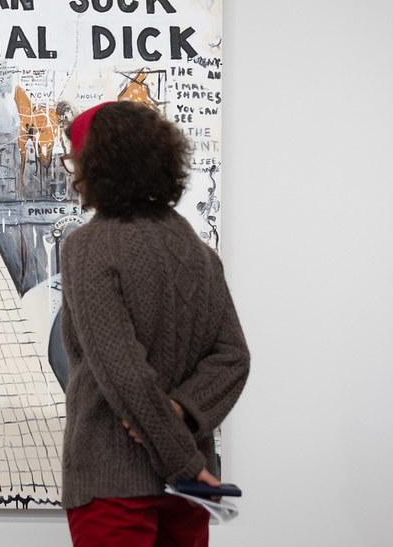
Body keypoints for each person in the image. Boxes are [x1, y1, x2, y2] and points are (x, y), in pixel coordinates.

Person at [58, 101, 250, 546]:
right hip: (187, 496)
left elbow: (124, 374)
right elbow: (233, 358)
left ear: (96, 166)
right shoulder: (198, 252)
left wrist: (184, 466)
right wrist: (182, 411)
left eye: (75, 160)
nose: (73, 174)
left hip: (115, 483)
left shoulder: (88, 248)